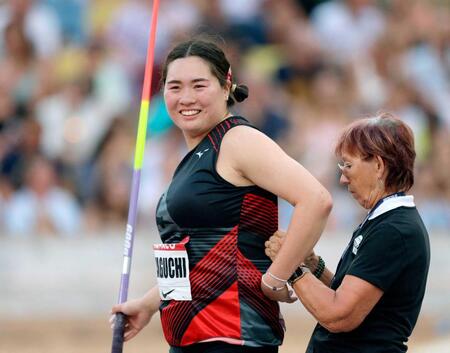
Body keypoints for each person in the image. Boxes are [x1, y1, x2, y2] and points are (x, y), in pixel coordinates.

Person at [110, 38, 332, 352]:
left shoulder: (237, 141)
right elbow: (197, 255)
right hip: (191, 337)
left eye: (199, 85)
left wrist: (275, 278)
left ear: (226, 86)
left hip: (231, 336)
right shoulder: (194, 155)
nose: (186, 98)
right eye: (175, 87)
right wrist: (148, 305)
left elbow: (317, 200)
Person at [265, 113, 430, 353]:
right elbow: (356, 298)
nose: (342, 178)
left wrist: (289, 264)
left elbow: (340, 316)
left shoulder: (394, 230)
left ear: (379, 165)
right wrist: (314, 267)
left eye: (348, 165)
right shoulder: (387, 221)